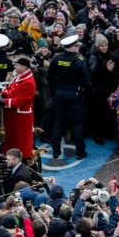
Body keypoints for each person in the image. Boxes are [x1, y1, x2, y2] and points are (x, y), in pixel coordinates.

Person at [47, 35, 92, 166]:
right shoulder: (79, 60)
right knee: (77, 124)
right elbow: (86, 80)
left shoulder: (56, 58)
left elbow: (50, 77)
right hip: (74, 94)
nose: (78, 48)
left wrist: (53, 92)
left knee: (58, 122)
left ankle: (55, 151)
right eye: (77, 46)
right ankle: (80, 152)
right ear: (72, 47)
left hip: (59, 93)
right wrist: (89, 96)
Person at [0, 56, 37, 160]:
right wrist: (3, 93)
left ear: (24, 67)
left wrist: (4, 102)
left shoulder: (28, 82)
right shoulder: (19, 76)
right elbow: (11, 88)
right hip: (14, 114)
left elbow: (21, 100)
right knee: (12, 137)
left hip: (20, 117)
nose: (15, 66)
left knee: (19, 139)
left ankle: (22, 157)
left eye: (17, 65)